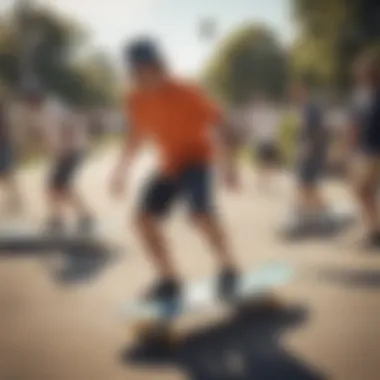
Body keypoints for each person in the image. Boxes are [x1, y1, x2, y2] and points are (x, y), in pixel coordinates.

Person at [110, 38, 239, 302]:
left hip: (197, 159)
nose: (143, 75)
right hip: (169, 164)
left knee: (200, 213)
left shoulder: (186, 91)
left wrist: (229, 166)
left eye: (148, 68)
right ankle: (169, 279)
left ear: (159, 65)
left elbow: (219, 124)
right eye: (137, 70)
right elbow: (136, 136)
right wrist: (120, 171)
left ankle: (228, 267)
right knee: (142, 219)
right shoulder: (134, 99)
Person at [19, 88, 94, 234]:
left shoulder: (54, 107)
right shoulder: (38, 112)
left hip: (73, 150)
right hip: (63, 152)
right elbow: (40, 131)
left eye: (29, 103)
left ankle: (59, 219)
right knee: (59, 186)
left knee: (58, 186)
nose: (28, 107)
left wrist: (66, 147)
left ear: (35, 99)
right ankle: (78, 216)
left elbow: (69, 126)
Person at [348, 52, 380, 247]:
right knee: (363, 191)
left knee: (362, 190)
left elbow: (358, 125)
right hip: (368, 151)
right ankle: (374, 229)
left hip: (372, 151)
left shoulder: (371, 96)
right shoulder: (363, 96)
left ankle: (374, 230)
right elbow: (356, 125)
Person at [291, 77, 328, 216]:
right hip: (310, 150)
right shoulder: (305, 108)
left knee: (307, 182)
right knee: (306, 183)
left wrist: (308, 147)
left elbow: (316, 130)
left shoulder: (310, 108)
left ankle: (316, 210)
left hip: (312, 151)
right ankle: (312, 210)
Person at [249, 98, 282, 192]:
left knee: (268, 164)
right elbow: (255, 131)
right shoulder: (258, 116)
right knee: (262, 164)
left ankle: (266, 183)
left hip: (269, 141)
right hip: (263, 142)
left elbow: (275, 130)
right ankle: (262, 183)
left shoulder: (270, 115)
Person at [0, 97, 22, 215]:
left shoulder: (3, 113)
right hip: (4, 145)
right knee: (5, 176)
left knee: (6, 175)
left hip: (3, 146)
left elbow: (5, 130)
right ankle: (15, 199)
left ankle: (15, 200)